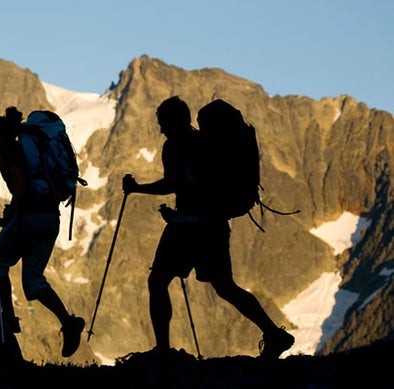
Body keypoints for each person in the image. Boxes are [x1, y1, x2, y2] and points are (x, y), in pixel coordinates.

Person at [122, 96, 294, 359]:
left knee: (159, 281)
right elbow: (181, 185)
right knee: (224, 286)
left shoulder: (184, 148)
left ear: (176, 121)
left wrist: (140, 190)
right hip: (211, 226)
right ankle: (274, 334)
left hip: (190, 227)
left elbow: (178, 185)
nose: (161, 129)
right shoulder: (199, 145)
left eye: (163, 123)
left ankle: (163, 351)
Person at [0, 106, 85, 358]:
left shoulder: (11, 154)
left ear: (0, 139)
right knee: (33, 280)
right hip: (49, 219)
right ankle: (68, 322)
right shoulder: (29, 154)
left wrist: (8, 215)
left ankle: (7, 320)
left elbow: (21, 188)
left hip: (29, 217)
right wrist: (6, 221)